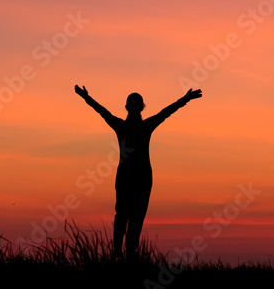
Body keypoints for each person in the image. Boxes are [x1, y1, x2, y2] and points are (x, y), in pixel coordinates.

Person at [74, 84, 202, 257]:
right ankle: (126, 253)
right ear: (141, 108)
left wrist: (86, 97)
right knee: (134, 216)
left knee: (125, 215)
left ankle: (120, 252)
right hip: (140, 177)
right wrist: (185, 99)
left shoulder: (123, 126)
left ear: (127, 107)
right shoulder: (144, 126)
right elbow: (166, 112)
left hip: (130, 176)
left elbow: (101, 111)